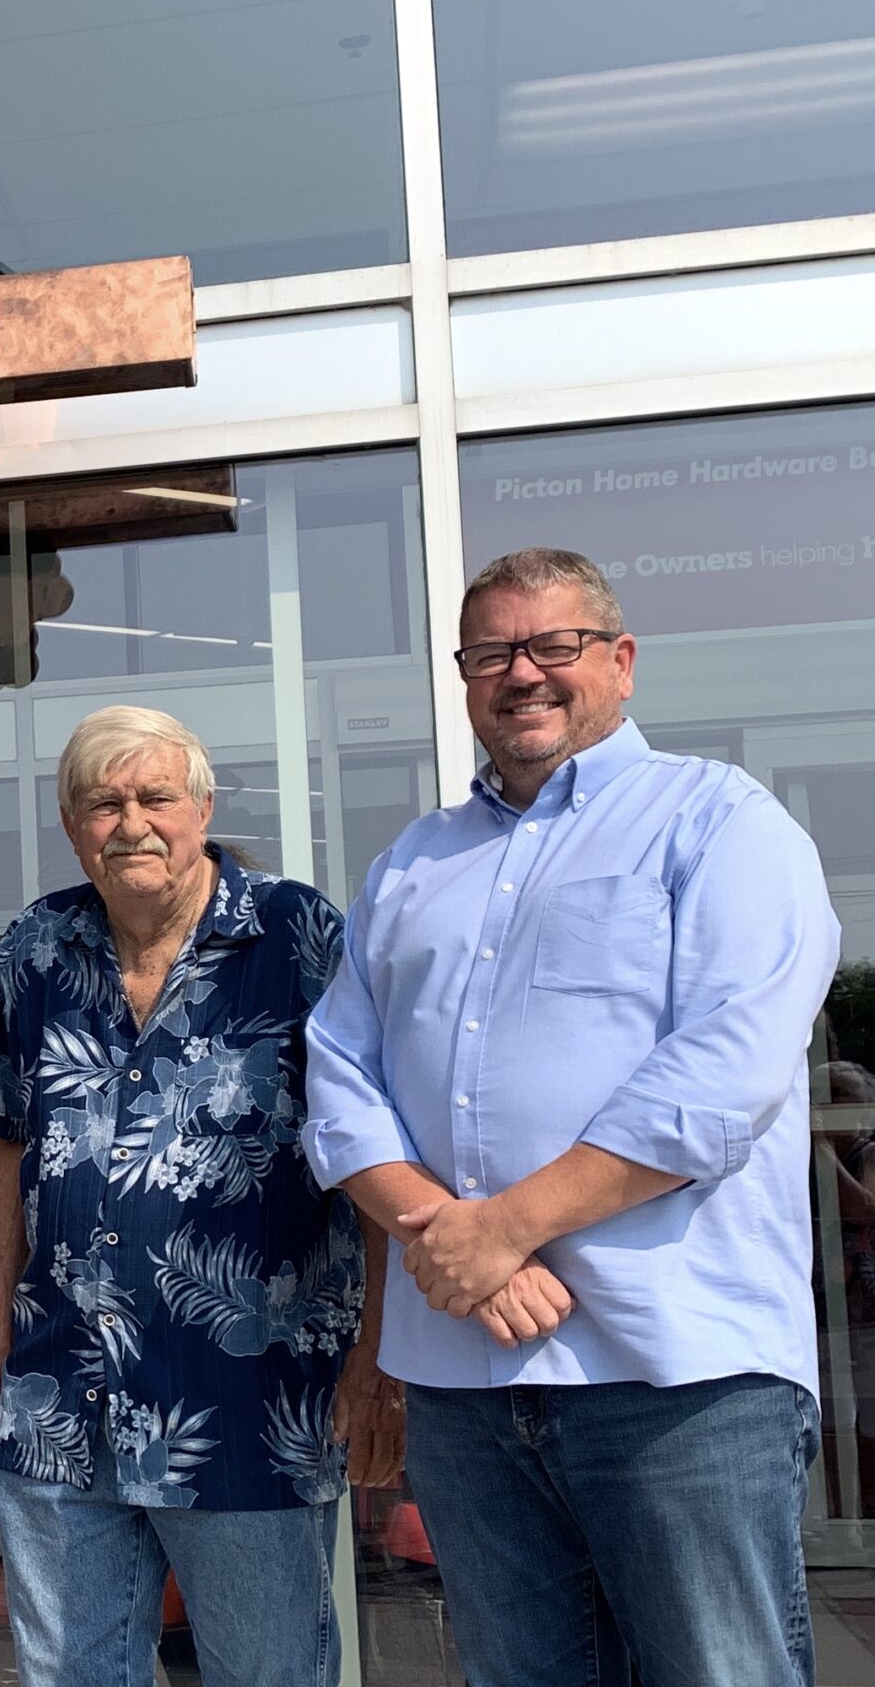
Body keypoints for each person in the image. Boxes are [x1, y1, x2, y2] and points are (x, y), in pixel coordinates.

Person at [301, 547, 843, 1687]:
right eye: (492, 652)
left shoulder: (719, 823)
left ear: (621, 662)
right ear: (463, 678)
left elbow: (723, 1074)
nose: (524, 675)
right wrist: (456, 1239)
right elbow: (340, 1079)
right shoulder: (412, 863)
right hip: (463, 1384)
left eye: (555, 646)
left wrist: (501, 1230)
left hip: (674, 1374)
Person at [0, 705, 400, 1687]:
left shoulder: (295, 935)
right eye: (101, 803)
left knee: (267, 1673)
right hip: (58, 1398)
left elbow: (373, 1148)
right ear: (73, 827)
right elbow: (5, 1150)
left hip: (248, 1405)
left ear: (199, 806)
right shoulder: (33, 950)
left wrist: (380, 1362)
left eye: (154, 796)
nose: (129, 823)